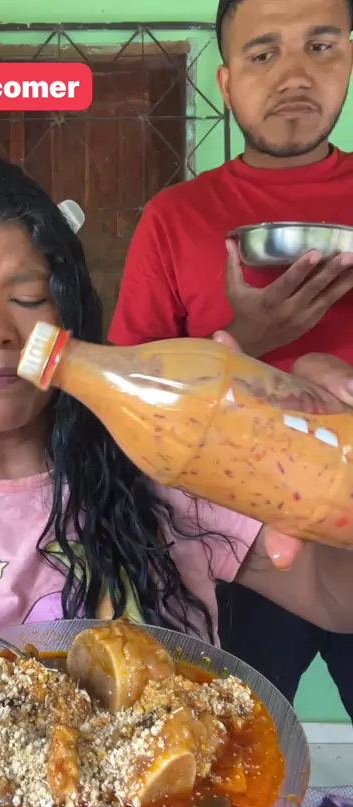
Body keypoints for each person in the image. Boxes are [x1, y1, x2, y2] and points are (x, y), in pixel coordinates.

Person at [0, 145, 353, 695]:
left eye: (27, 296)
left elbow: (338, 600)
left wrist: (324, 486)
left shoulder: (169, 459)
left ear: (67, 312)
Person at [108, 0, 353, 718]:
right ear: (225, 80)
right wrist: (245, 338)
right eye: (263, 53)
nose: (294, 75)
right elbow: (130, 404)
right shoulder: (175, 217)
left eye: (320, 46)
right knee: (231, 743)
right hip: (234, 548)